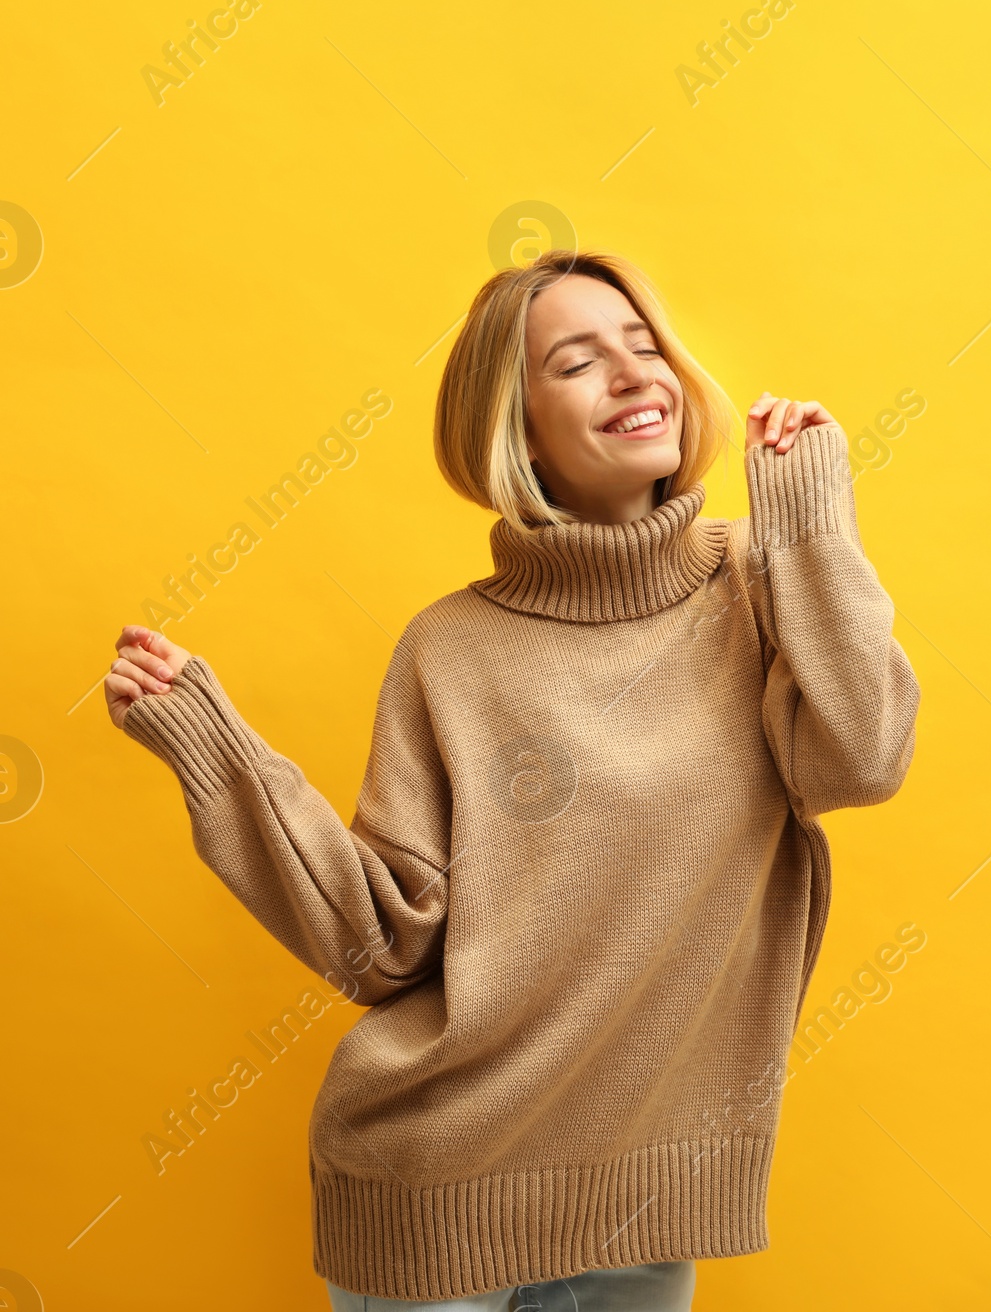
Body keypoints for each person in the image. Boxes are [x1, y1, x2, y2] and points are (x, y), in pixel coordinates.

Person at [104, 250, 920, 1311]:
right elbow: (384, 940)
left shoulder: (759, 588)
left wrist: (808, 519)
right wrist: (217, 751)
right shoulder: (450, 650)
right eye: (579, 362)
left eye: (645, 346)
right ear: (516, 430)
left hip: (645, 1191)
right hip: (438, 1183)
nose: (636, 377)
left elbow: (863, 756)